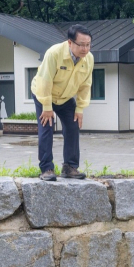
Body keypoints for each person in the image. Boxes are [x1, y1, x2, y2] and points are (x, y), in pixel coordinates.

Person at [30, 24, 94, 181]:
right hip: (44, 94)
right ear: (70, 42)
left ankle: (70, 167)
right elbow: (45, 80)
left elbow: (86, 85)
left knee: (73, 126)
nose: (85, 49)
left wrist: (80, 108)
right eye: (81, 45)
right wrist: (47, 107)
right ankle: (46, 169)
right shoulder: (54, 53)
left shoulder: (89, 59)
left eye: (88, 45)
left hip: (65, 98)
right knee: (46, 127)